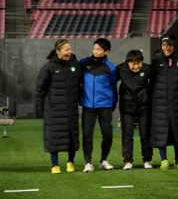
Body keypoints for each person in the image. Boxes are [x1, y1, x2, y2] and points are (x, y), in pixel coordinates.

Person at [36, 39, 81, 174]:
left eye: (70, 49)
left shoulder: (75, 64)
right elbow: (40, 89)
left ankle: (70, 162)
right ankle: (54, 165)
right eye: (66, 49)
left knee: (72, 136)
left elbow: (80, 84)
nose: (69, 52)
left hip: (71, 109)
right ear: (58, 51)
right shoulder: (49, 67)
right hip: (54, 110)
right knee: (54, 137)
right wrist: (39, 109)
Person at [80, 38, 117, 173]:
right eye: (94, 48)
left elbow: (113, 86)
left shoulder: (111, 67)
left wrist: (113, 102)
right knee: (87, 134)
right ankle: (88, 162)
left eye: (99, 49)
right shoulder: (84, 64)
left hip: (105, 106)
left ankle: (103, 160)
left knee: (107, 134)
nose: (95, 51)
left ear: (106, 52)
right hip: (88, 106)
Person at [150, 35, 178, 170]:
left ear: (174, 45)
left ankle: (177, 159)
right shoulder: (156, 60)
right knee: (161, 132)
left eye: (169, 45)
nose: (166, 48)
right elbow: (152, 82)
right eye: (164, 45)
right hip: (160, 103)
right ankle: (164, 159)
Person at [116, 50, 153, 170]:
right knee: (127, 134)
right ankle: (127, 160)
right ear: (127, 63)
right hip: (127, 108)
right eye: (133, 64)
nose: (136, 66)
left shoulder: (148, 69)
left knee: (145, 134)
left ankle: (147, 160)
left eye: (139, 63)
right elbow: (109, 82)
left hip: (144, 107)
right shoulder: (120, 69)